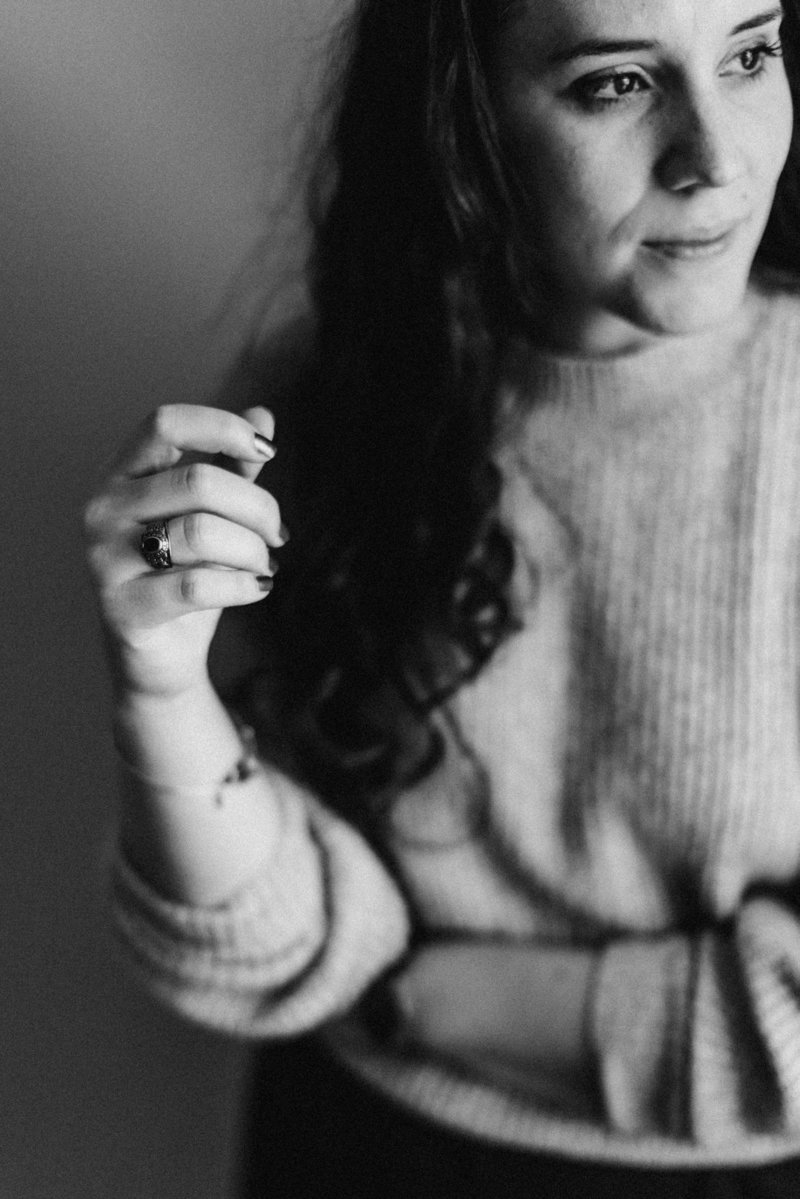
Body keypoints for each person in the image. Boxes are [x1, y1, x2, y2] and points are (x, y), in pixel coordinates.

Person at [83, 0, 800, 1194]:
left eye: (749, 53)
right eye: (615, 84)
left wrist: (460, 1001)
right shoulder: (320, 408)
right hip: (357, 1148)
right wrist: (156, 687)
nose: (716, 159)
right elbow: (275, 935)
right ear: (465, 121)